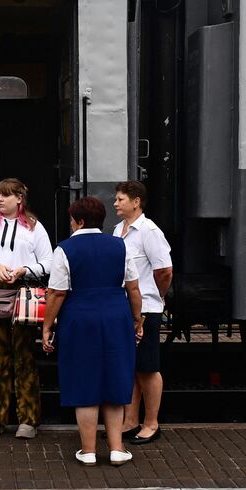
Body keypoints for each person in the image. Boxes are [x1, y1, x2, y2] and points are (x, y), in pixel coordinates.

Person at [41, 196, 142, 465]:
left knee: (84, 381)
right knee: (114, 378)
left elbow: (57, 293)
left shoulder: (65, 249)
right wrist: (137, 319)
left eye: (72, 220)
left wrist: (47, 326)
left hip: (80, 318)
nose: (71, 224)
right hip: (115, 317)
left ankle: (88, 452)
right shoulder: (120, 246)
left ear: (80, 221)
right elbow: (132, 287)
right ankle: (117, 448)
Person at [0, 178, 53, 439]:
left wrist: (24, 270)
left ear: (19, 198)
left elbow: (49, 262)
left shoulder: (35, 228)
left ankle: (28, 420)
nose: (0, 200)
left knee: (25, 356)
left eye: (5, 195)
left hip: (24, 295)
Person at [112, 180, 173, 445]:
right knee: (132, 366)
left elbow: (164, 271)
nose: (116, 203)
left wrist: (157, 296)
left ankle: (151, 423)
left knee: (148, 368)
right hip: (125, 307)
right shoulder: (118, 230)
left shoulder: (149, 231)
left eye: (120, 199)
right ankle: (129, 421)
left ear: (136, 202)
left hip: (146, 307)